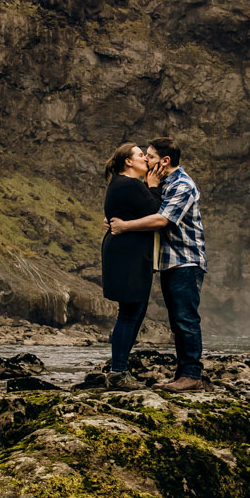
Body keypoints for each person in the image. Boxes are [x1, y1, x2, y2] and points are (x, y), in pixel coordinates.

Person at [108, 137, 205, 391]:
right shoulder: (160, 183)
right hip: (167, 262)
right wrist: (113, 222)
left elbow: (161, 219)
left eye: (149, 156)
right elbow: (139, 207)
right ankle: (183, 374)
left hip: (186, 261)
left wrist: (124, 225)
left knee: (185, 319)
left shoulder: (183, 185)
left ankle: (192, 375)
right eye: (143, 155)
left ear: (165, 161)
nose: (146, 160)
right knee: (177, 320)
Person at [99, 142, 162, 383]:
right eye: (139, 156)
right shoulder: (131, 184)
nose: (145, 160)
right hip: (128, 254)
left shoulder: (120, 183)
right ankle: (118, 371)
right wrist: (153, 186)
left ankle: (120, 368)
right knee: (129, 312)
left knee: (132, 311)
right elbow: (157, 211)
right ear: (128, 161)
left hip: (126, 252)